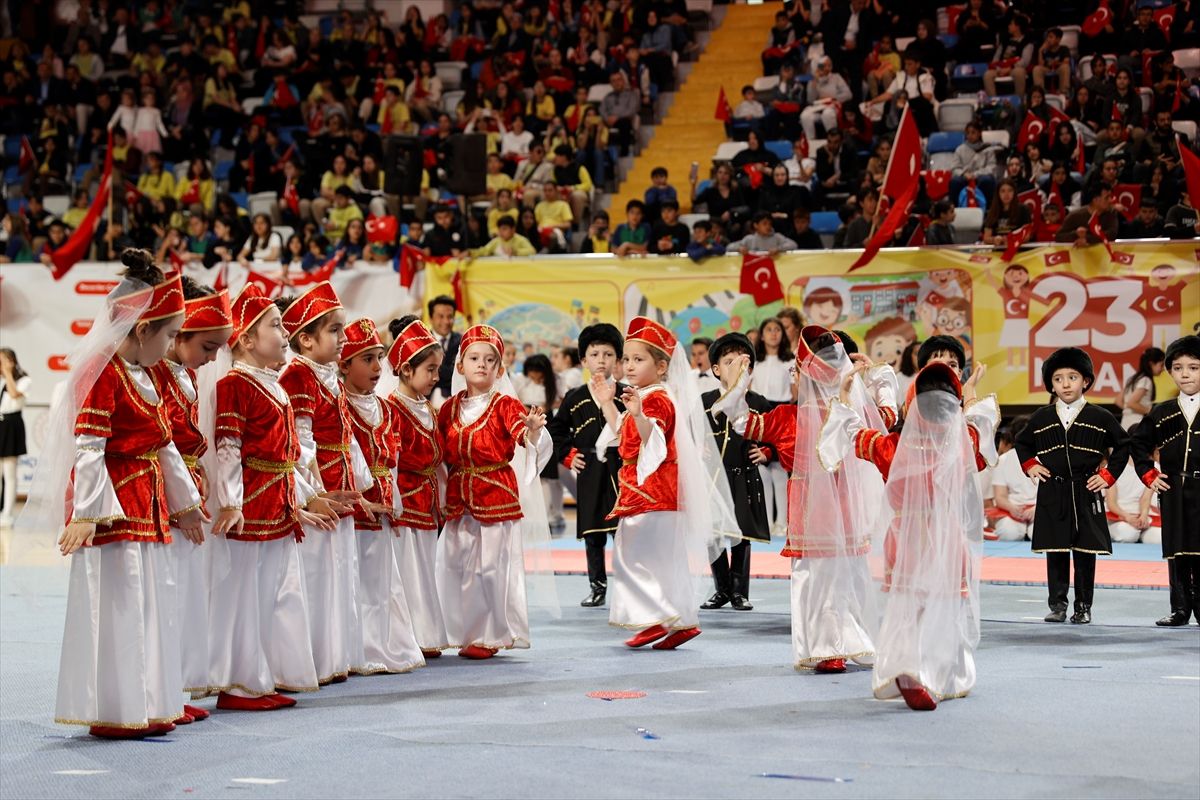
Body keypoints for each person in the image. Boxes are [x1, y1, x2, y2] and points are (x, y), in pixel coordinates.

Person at [24, 251, 202, 738]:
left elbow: (164, 446)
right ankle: (117, 709)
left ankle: (149, 702)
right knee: (121, 604)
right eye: (167, 335)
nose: (171, 346)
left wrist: (185, 506)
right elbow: (89, 449)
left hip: (149, 505)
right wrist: (86, 513)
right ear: (142, 330)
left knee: (152, 601)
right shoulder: (103, 374)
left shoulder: (145, 375)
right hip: (114, 510)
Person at [713, 326, 899, 673]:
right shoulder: (853, 414)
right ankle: (855, 640)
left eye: (795, 371)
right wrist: (876, 377)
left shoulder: (787, 419)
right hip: (849, 511)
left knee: (814, 579)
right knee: (850, 575)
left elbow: (740, 422)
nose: (792, 378)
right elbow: (888, 416)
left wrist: (737, 385)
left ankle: (827, 648)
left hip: (810, 512)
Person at [824, 362, 987, 711]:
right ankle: (940, 674)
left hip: (903, 537)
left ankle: (904, 665)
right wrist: (971, 394)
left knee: (907, 608)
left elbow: (852, 433)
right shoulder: (962, 444)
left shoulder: (892, 447)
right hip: (946, 538)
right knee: (946, 606)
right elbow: (981, 428)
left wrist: (843, 397)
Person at [208, 284, 330, 712]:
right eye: (275, 326)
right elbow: (227, 447)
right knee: (245, 593)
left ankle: (260, 675)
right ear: (245, 339)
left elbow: (288, 456)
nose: (284, 333)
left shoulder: (273, 384)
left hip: (277, 503)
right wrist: (231, 502)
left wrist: (302, 496)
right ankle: (240, 683)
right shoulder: (233, 385)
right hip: (252, 507)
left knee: (271, 594)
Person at [590, 317, 720, 650]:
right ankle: (680, 621)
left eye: (638, 359)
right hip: (647, 490)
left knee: (631, 555)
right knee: (662, 560)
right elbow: (624, 435)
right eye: (627, 359)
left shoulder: (658, 399)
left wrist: (637, 415)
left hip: (653, 491)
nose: (629, 366)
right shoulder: (644, 396)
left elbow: (654, 441)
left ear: (662, 367)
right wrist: (608, 402)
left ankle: (656, 617)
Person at [278, 282, 373, 683]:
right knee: (317, 571)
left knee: (340, 569)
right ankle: (314, 656)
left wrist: (362, 486)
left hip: (340, 480)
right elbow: (299, 441)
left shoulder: (328, 375)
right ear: (305, 338)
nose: (343, 338)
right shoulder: (298, 375)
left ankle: (334, 655)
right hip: (319, 486)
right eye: (334, 330)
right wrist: (312, 493)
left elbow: (347, 434)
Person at [437, 325, 551, 659]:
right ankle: (460, 632)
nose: (482, 365)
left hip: (496, 498)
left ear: (500, 369)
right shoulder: (447, 409)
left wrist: (531, 433)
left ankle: (490, 635)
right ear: (460, 365)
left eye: (490, 359)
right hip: (459, 500)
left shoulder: (505, 405)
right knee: (453, 566)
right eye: (474, 358)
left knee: (489, 570)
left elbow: (526, 439)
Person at [148, 278, 232, 724]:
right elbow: (167, 441)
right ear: (178, 336)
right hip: (166, 496)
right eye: (208, 346)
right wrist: (183, 500)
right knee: (170, 594)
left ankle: (173, 687)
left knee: (184, 593)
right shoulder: (157, 374)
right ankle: (162, 690)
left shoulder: (184, 374)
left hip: (187, 489)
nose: (214, 357)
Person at [1015, 348, 1130, 625]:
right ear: (1051, 384)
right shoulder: (1041, 417)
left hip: (1086, 490)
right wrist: (1031, 465)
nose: (1065, 384)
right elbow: (1022, 442)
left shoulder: (1101, 416)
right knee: (1055, 550)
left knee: (1085, 551)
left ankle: (1083, 607)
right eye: (1058, 379)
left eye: (1073, 377)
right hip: (1052, 490)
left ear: (1086, 381)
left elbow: (1124, 444)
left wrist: (1108, 475)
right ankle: (1057, 605)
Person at [339, 318, 425, 675]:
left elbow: (393, 460)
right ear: (344, 365)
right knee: (356, 577)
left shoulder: (385, 408)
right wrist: (361, 499)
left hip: (385, 502)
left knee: (381, 579)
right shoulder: (339, 404)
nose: (378, 368)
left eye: (379, 358)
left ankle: (386, 641)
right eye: (367, 359)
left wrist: (396, 501)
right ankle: (360, 646)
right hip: (354, 505)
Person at [385, 317, 451, 657]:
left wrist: (443, 496)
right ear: (406, 370)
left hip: (426, 502)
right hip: (404, 503)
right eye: (431, 369)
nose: (437, 377)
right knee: (407, 571)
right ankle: (408, 635)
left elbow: (438, 459)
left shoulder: (428, 408)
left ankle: (426, 633)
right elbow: (390, 461)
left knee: (424, 569)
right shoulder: (391, 408)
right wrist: (392, 499)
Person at [548, 324, 626, 607]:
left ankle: (630, 587)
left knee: (624, 533)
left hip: (621, 470)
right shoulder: (575, 397)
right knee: (593, 535)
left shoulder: (627, 395)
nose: (601, 360)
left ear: (618, 360)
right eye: (595, 354)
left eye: (608, 354)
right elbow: (555, 431)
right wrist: (567, 455)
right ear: (583, 360)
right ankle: (597, 587)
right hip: (590, 470)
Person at [1132, 336, 1200, 627]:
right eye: (1178, 367)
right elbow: (1137, 444)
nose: (1186, 373)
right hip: (1172, 490)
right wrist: (1149, 474)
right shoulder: (1161, 411)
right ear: (1170, 371)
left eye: (1194, 367)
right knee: (1176, 551)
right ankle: (1180, 609)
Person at [701, 333, 772, 611]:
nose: (735, 368)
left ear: (750, 368)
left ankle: (740, 591)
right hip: (712, 479)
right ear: (716, 370)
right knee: (713, 533)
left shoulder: (758, 402)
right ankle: (722, 589)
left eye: (741, 362)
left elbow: (776, 438)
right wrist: (696, 449)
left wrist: (768, 453)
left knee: (741, 535)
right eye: (727, 362)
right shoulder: (704, 401)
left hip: (744, 476)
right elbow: (687, 434)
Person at [751, 318, 794, 535]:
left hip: (783, 411)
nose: (773, 334)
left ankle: (783, 522)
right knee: (762, 470)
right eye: (768, 329)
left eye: (777, 330)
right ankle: (766, 522)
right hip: (761, 413)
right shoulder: (755, 362)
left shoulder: (790, 361)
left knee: (780, 470)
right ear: (762, 334)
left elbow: (795, 394)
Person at [992, 415, 1038, 542]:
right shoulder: (1003, 460)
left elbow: (1052, 493)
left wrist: (1037, 509)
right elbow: (1000, 496)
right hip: (1012, 510)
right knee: (1008, 533)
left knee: (1039, 535)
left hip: (1040, 509)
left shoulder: (1045, 459)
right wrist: (1012, 509)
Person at [0, 349, 30, 528]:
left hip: (12, 424)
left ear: (11, 361)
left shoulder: (25, 380)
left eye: (3, 361)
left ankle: (7, 513)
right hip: (1, 422)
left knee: (9, 472)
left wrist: (9, 373)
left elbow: (14, 394)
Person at [1119, 347, 1166, 430]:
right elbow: (1132, 403)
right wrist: (1151, 412)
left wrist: (1128, 411)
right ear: (1151, 364)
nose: (1163, 369)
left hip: (1125, 423)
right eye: (1161, 365)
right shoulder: (1146, 380)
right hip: (1138, 424)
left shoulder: (1132, 379)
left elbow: (1118, 401)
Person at [428, 295, 461, 406]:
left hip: (455, 402)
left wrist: (432, 369)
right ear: (431, 318)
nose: (446, 321)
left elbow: (460, 375)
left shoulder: (462, 342)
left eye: (450, 316)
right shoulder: (421, 342)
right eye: (441, 316)